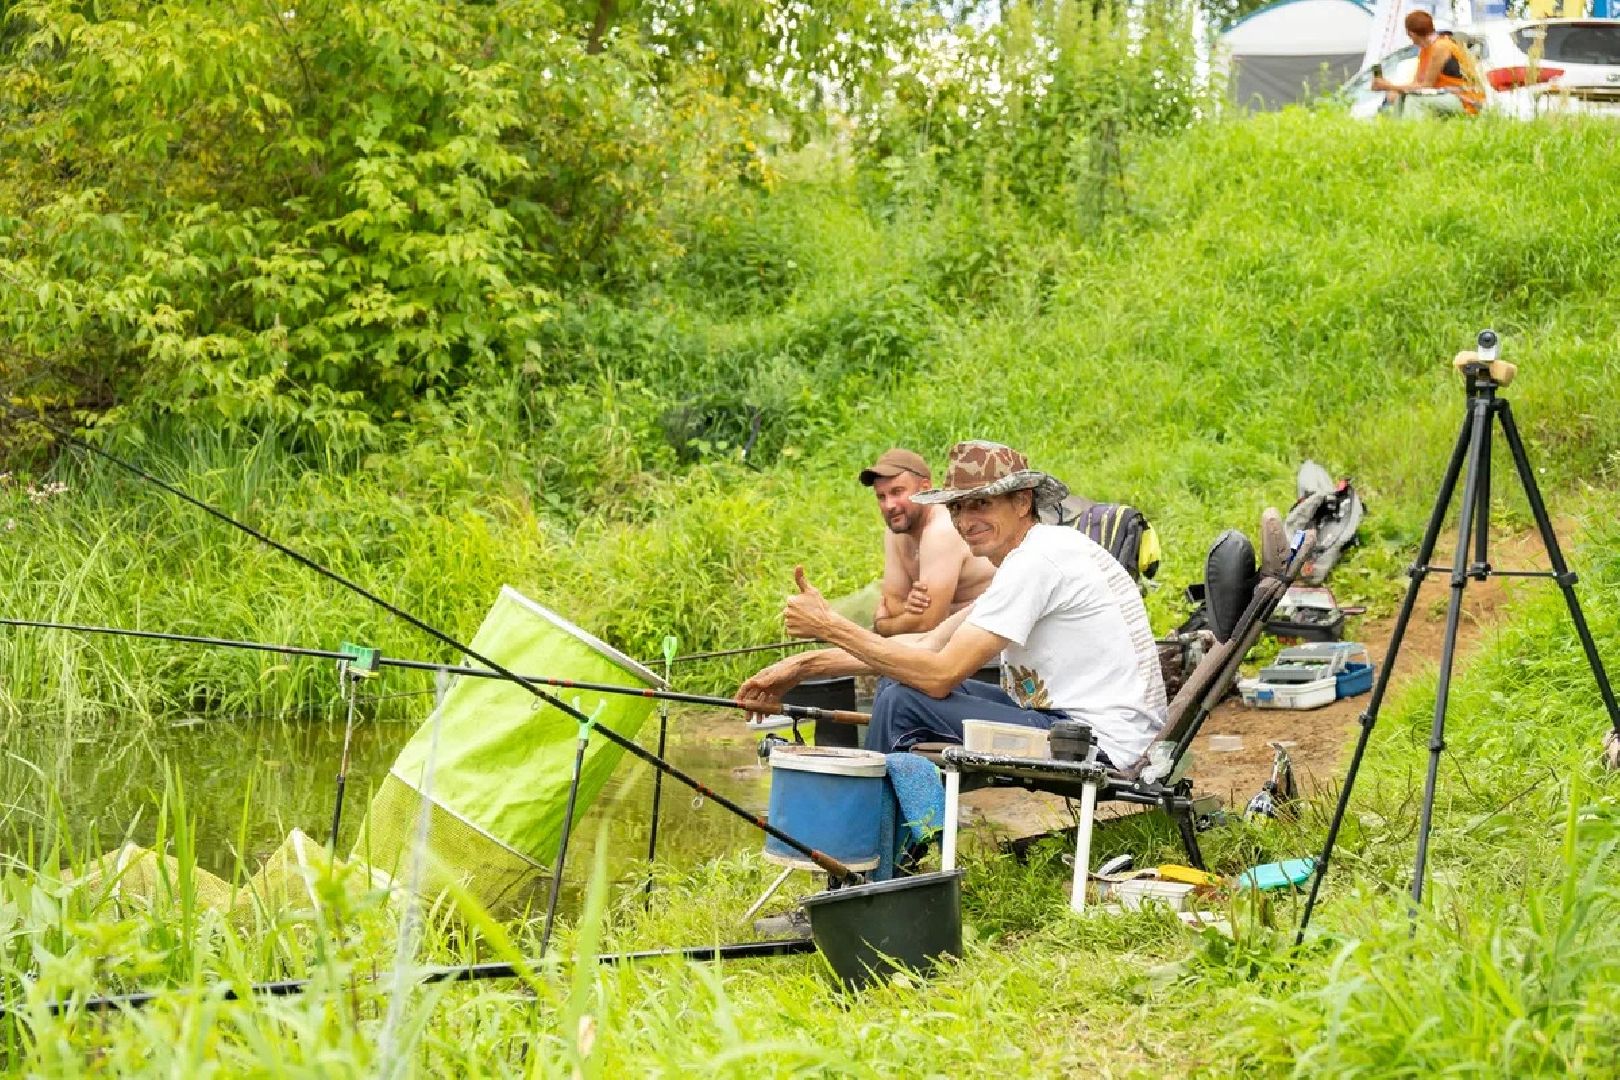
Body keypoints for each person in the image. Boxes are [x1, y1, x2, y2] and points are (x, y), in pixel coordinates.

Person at [738, 441, 1168, 767]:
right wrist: (802, 665)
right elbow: (926, 646)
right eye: (958, 507)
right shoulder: (1032, 555)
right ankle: (906, 836)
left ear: (1022, 501)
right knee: (895, 684)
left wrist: (831, 624)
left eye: (982, 502)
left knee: (903, 700)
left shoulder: (1038, 560)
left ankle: (872, 854)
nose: (966, 520)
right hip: (1072, 723)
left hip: (1100, 744)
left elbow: (940, 675)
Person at [858, 448, 994, 636]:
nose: (889, 505)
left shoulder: (942, 531)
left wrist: (883, 625)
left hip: (986, 635)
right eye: (881, 496)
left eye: (897, 492)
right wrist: (907, 608)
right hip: (944, 634)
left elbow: (927, 623)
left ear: (924, 488)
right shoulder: (897, 530)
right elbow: (891, 603)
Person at [1372, 12, 1484, 117]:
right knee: (1397, 97)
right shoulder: (1425, 50)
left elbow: (1426, 86)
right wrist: (1394, 90)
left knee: (1414, 100)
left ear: (1411, 34)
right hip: (1445, 94)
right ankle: (1398, 132)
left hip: (1465, 99)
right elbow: (1417, 84)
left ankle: (1415, 134)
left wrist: (1388, 86)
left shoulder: (1441, 46)